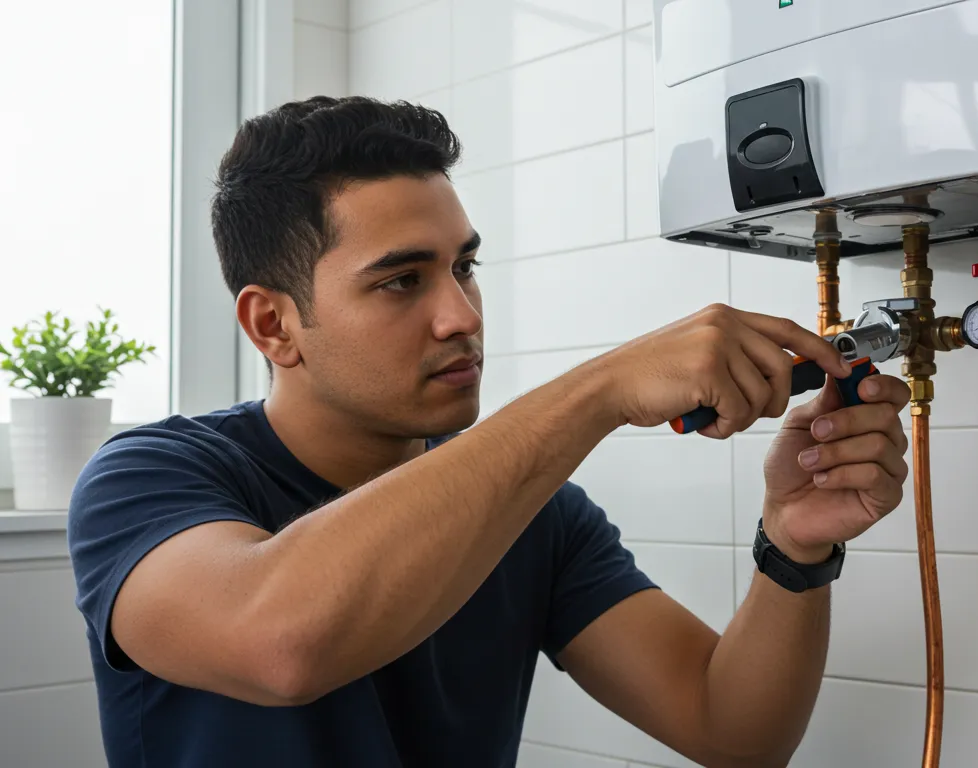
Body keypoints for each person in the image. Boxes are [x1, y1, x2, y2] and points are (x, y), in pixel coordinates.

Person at [66, 95, 911, 768]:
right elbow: (281, 646)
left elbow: (734, 734)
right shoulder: (149, 478)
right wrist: (601, 389)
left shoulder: (536, 515)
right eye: (401, 281)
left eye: (464, 266)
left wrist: (791, 552)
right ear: (274, 325)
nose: (460, 316)